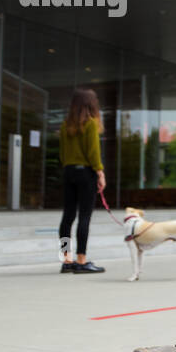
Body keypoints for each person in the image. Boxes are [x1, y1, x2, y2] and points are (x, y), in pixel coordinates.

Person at [58, 87, 105, 274]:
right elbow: (93, 152)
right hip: (86, 172)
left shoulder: (64, 125)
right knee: (84, 216)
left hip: (69, 171)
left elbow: (62, 153)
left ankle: (66, 259)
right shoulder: (91, 124)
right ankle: (81, 260)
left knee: (67, 217)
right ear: (92, 104)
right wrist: (100, 172)